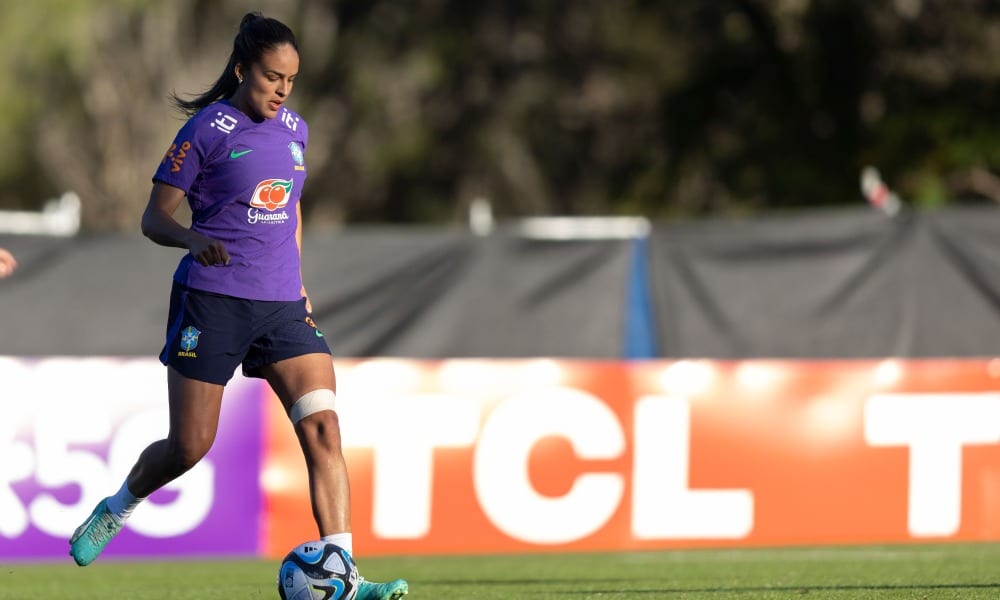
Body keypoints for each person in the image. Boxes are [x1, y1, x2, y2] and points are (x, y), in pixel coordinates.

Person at [68, 13, 408, 599]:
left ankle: (345, 577)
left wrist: (299, 282)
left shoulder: (296, 130)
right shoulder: (207, 129)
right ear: (242, 69)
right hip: (214, 302)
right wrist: (192, 239)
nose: (282, 90)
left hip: (283, 306)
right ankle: (118, 505)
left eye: (291, 80)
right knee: (189, 446)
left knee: (324, 428)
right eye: (272, 77)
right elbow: (154, 217)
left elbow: (290, 208)